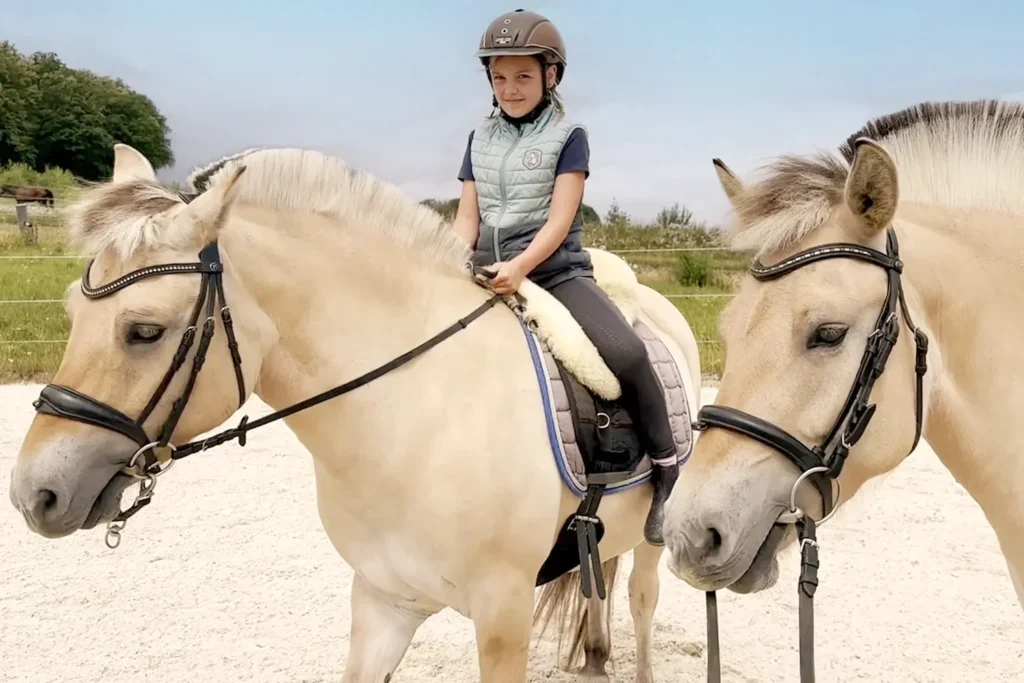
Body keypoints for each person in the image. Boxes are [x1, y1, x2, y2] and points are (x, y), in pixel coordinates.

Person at [451, 8, 680, 546]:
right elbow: (466, 217)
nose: (510, 88)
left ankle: (667, 468)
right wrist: (449, 260)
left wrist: (521, 267)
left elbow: (560, 218)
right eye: (500, 77)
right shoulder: (477, 138)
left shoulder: (568, 135)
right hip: (485, 266)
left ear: (550, 75)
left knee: (624, 352)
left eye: (523, 76)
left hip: (554, 271)